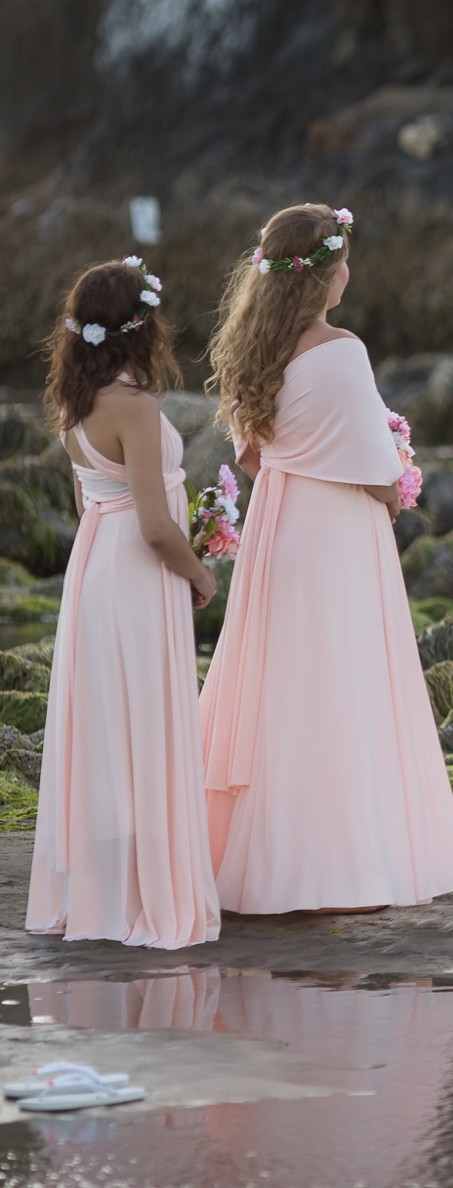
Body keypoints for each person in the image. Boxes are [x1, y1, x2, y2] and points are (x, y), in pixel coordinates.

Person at [200, 204, 453, 914]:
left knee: (284, 690)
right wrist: (398, 474)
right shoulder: (340, 350)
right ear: (324, 275)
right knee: (337, 689)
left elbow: (256, 458)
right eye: (344, 260)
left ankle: (263, 858)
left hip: (279, 530)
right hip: (337, 541)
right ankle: (336, 864)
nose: (350, 271)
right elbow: (381, 477)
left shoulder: (253, 347)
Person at [26, 259, 221, 949]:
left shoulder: (76, 404)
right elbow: (154, 524)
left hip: (94, 568)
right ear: (144, 325)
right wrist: (198, 571)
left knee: (108, 723)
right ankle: (148, 891)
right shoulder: (133, 407)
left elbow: (92, 500)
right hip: (137, 571)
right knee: (146, 716)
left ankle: (107, 887)